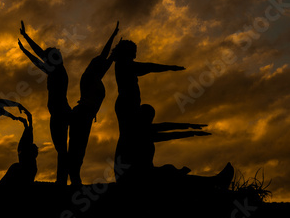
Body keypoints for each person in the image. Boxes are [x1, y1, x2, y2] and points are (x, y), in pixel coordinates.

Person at [111, 39, 185, 180]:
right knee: (131, 135)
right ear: (127, 52)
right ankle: (127, 171)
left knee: (133, 136)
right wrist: (169, 67)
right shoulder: (124, 65)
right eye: (133, 51)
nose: (135, 54)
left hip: (128, 104)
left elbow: (146, 67)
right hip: (126, 105)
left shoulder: (124, 65)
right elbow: (148, 67)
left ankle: (131, 168)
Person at [116, 104, 234, 189]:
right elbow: (169, 134)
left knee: (170, 171)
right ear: (141, 117)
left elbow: (165, 126)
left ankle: (214, 181)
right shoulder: (135, 133)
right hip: (136, 178)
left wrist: (189, 127)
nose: (151, 121)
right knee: (170, 173)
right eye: (148, 117)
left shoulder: (142, 130)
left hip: (143, 174)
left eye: (151, 118)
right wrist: (191, 132)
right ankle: (214, 182)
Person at [18, 20, 71, 185]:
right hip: (59, 111)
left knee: (61, 148)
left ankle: (62, 180)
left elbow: (39, 56)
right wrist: (25, 43)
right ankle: (62, 179)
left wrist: (26, 42)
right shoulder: (56, 70)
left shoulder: (57, 70)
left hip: (60, 111)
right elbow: (39, 57)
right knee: (61, 148)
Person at [68, 22, 119, 186]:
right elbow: (104, 56)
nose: (104, 64)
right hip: (81, 113)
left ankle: (75, 178)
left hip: (86, 115)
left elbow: (108, 59)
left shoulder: (96, 77)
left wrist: (114, 36)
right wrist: (112, 38)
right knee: (76, 148)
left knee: (80, 149)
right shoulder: (89, 76)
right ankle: (72, 178)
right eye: (100, 63)